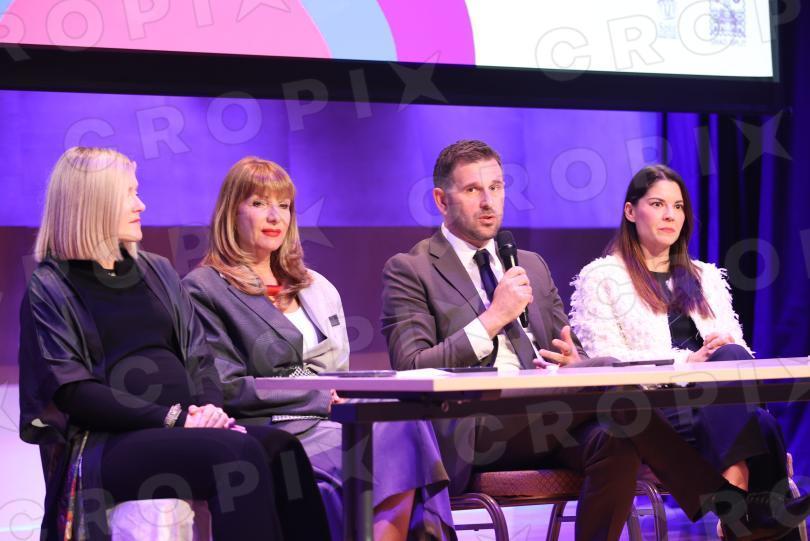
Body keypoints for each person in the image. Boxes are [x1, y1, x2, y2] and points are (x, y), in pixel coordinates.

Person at [380, 140, 810, 541]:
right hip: (478, 425)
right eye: (473, 190)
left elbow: (570, 349)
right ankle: (732, 506)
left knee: (617, 437)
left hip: (548, 413)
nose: (489, 201)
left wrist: (574, 359)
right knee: (616, 381)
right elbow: (411, 365)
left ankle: (732, 505)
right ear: (442, 200)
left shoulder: (529, 263)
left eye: (496, 187)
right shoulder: (410, 269)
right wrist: (493, 318)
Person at [18, 147, 329, 541]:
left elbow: (200, 358)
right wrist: (174, 419)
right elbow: (74, 392)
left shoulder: (157, 271)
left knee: (281, 450)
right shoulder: (51, 286)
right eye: (129, 194)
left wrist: (209, 409)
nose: (141, 204)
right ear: (94, 202)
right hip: (107, 443)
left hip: (185, 425)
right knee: (235, 456)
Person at [182, 156, 455, 541]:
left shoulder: (312, 285)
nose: (274, 216)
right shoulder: (205, 287)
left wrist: (346, 393)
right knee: (396, 435)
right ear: (232, 212)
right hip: (274, 428)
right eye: (259, 203)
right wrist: (316, 396)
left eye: (284, 206)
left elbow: (337, 371)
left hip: (333, 417)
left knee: (404, 416)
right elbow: (226, 386)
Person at [569, 163, 805, 539]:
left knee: (738, 371)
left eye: (678, 207)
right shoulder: (602, 277)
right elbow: (607, 362)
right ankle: (741, 502)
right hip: (654, 411)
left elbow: (738, 355)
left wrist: (725, 345)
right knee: (760, 427)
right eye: (658, 204)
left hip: (716, 406)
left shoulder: (705, 277)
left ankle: (739, 504)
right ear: (630, 211)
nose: (670, 215)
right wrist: (686, 363)